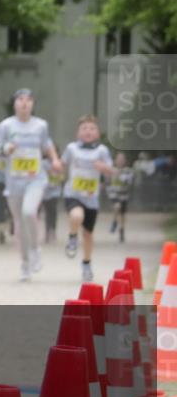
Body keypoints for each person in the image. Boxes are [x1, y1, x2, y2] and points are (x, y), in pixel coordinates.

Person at [0, 89, 63, 282]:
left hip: (36, 179)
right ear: (14, 104)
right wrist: (5, 148)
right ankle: (25, 263)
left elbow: (47, 144)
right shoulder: (6, 126)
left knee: (29, 212)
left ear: (33, 104)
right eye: (20, 100)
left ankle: (35, 249)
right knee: (19, 223)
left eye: (28, 100)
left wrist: (55, 160)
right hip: (13, 181)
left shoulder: (40, 125)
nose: (24, 103)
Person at [61, 116, 114, 282]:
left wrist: (103, 167)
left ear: (98, 133)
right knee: (77, 216)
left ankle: (86, 264)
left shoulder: (102, 151)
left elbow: (110, 170)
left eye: (91, 128)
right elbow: (61, 165)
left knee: (88, 235)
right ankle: (72, 237)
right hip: (73, 194)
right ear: (78, 133)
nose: (88, 131)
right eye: (84, 128)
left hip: (92, 198)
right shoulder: (71, 148)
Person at [108, 153, 135, 242]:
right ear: (115, 160)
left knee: (123, 215)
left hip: (124, 195)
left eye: (122, 159)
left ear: (124, 161)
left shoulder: (128, 171)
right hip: (114, 194)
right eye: (118, 159)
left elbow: (129, 181)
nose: (120, 161)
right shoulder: (111, 170)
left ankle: (122, 230)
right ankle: (114, 222)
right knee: (117, 206)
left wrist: (120, 176)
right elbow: (107, 181)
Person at [42, 162, 64, 244]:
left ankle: (53, 231)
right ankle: (47, 232)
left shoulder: (58, 164)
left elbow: (62, 177)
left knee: (53, 211)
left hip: (55, 191)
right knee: (47, 213)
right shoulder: (42, 163)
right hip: (45, 191)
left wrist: (56, 174)